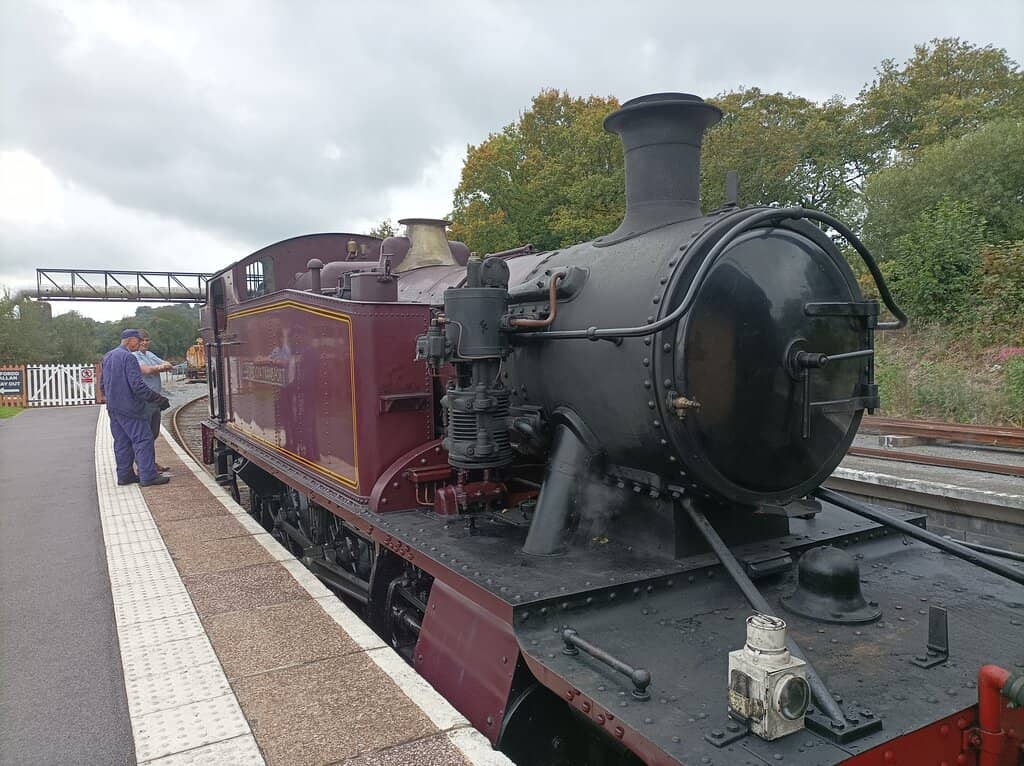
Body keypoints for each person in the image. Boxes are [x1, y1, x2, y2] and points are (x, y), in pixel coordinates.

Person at [100, 329, 170, 487]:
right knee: (143, 439)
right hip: (130, 407)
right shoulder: (128, 357)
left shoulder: (108, 356)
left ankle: (125, 475)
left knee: (122, 441)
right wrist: (157, 399)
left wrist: (110, 399)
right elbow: (137, 385)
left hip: (114, 408)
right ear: (130, 340)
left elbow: (102, 384)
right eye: (138, 340)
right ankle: (148, 476)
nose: (140, 343)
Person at [133, 330, 174, 472]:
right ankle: (143, 465)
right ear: (135, 342)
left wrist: (158, 368)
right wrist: (160, 368)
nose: (145, 343)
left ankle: (150, 462)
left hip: (156, 399)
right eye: (142, 340)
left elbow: (168, 364)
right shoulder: (134, 356)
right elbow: (146, 371)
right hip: (144, 400)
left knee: (153, 433)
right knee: (144, 434)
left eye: (147, 340)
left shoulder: (149, 354)